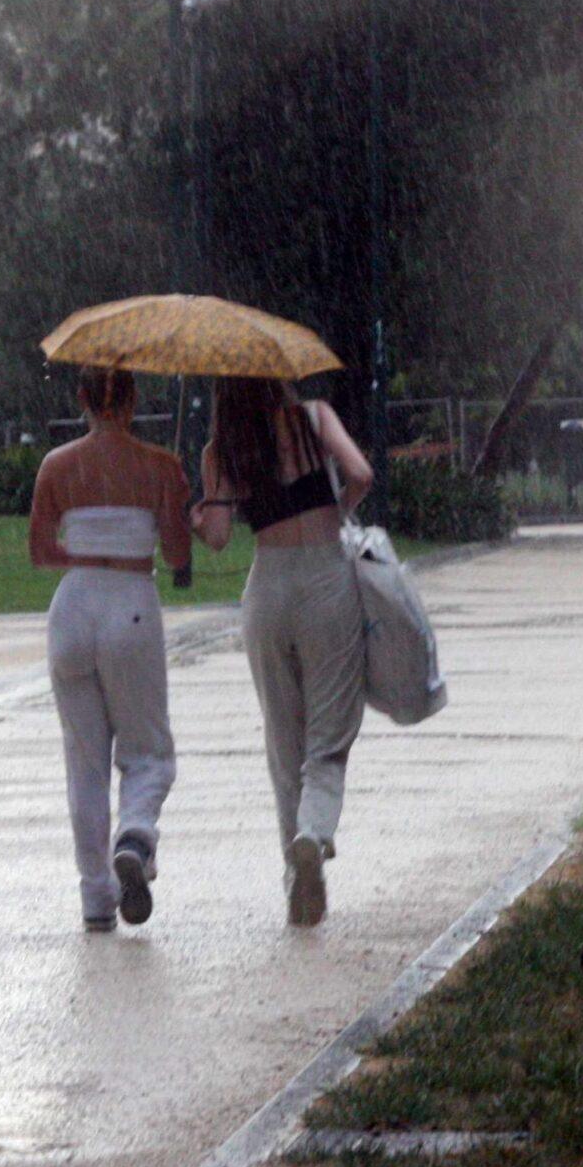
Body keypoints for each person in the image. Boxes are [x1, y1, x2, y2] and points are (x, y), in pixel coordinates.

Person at [193, 376, 373, 927]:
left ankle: (296, 878)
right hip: (324, 578)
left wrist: (199, 520)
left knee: (282, 740)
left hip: (266, 589)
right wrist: (336, 509)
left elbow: (220, 534)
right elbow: (363, 474)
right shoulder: (313, 417)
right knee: (329, 734)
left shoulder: (222, 448)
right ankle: (314, 834)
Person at [29, 366, 193, 933]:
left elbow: (41, 551)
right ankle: (137, 834)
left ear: (82, 399)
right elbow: (176, 556)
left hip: (71, 609)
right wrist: (176, 501)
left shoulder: (57, 465)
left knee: (85, 763)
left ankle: (96, 897)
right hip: (131, 604)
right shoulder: (160, 465)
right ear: (133, 400)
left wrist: (87, 551)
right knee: (149, 752)